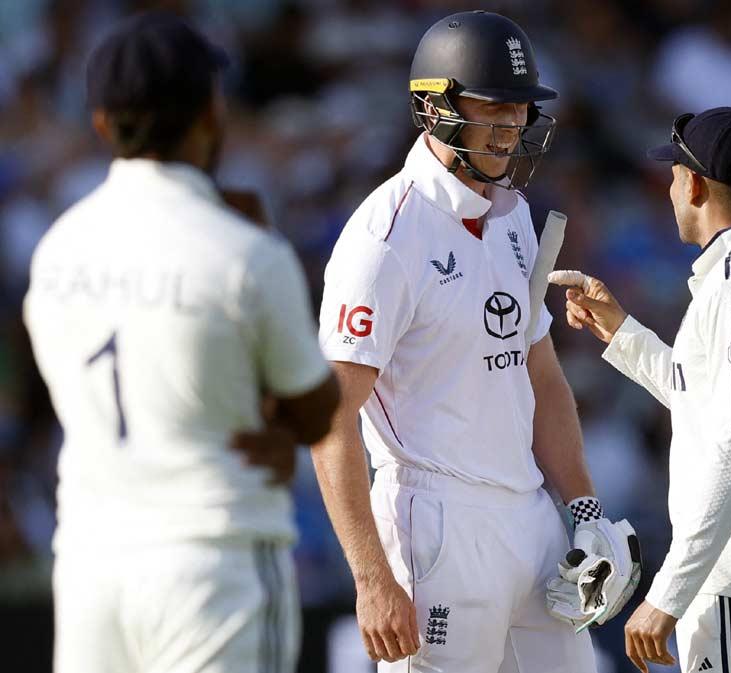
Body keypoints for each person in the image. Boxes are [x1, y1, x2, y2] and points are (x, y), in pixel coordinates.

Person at [311, 10, 637, 672]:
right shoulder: (385, 238)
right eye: (494, 107)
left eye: (520, 109)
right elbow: (330, 419)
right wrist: (373, 578)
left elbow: (540, 375)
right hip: (435, 524)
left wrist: (584, 511)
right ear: (433, 109)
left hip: (530, 518)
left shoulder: (514, 214)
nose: (513, 125)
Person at [23, 11, 340, 673]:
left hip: (90, 565)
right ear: (210, 112)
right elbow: (317, 411)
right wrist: (273, 421)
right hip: (212, 558)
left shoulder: (56, 249)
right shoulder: (247, 252)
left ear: (103, 123)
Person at [549, 107, 731, 673]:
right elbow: (711, 405)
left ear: (696, 183)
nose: (670, 189)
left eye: (674, 175)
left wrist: (667, 593)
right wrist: (622, 333)